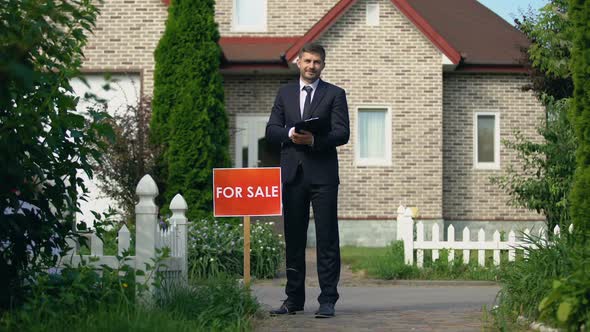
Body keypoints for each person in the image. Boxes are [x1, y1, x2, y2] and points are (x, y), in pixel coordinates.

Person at [265, 43, 350, 318]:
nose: (311, 66)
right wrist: (290, 133)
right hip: (293, 176)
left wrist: (314, 140)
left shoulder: (335, 94)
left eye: (317, 62)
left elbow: (342, 133)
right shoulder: (285, 93)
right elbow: (271, 130)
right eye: (307, 61)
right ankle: (293, 299)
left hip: (323, 176)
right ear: (298, 62)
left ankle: (327, 300)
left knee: (327, 239)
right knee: (294, 240)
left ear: (323, 65)